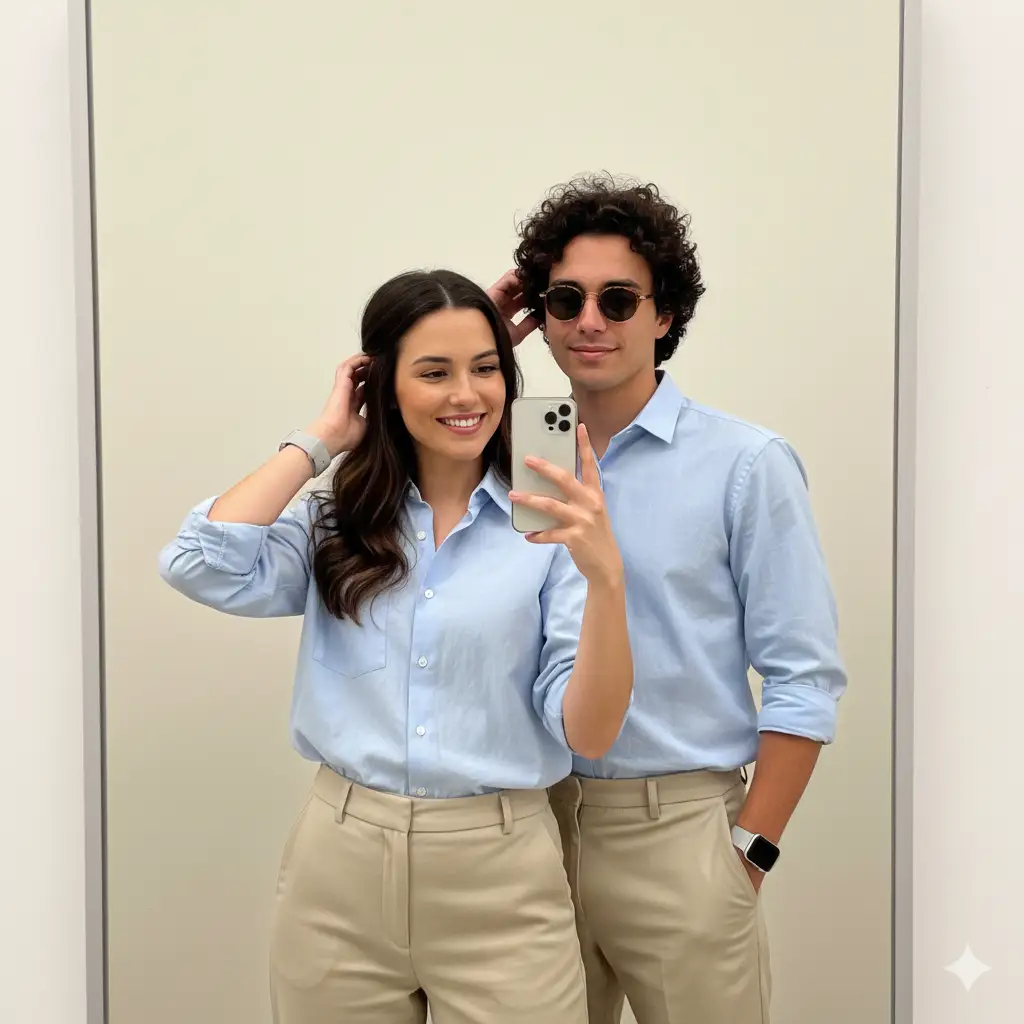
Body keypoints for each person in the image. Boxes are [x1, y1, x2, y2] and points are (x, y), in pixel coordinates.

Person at [158, 269, 633, 1024]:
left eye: (485, 369)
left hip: (501, 873)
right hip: (337, 868)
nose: (466, 395)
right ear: (380, 386)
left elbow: (591, 730)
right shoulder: (338, 524)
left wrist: (606, 579)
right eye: (433, 372)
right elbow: (196, 561)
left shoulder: (546, 527)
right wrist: (319, 441)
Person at [487, 176, 849, 1024]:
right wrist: (488, 343)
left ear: (665, 316)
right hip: (529, 830)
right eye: (564, 299)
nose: (590, 321)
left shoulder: (746, 465)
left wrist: (744, 856)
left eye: (619, 300)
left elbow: (805, 676)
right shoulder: (509, 457)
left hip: (678, 833)